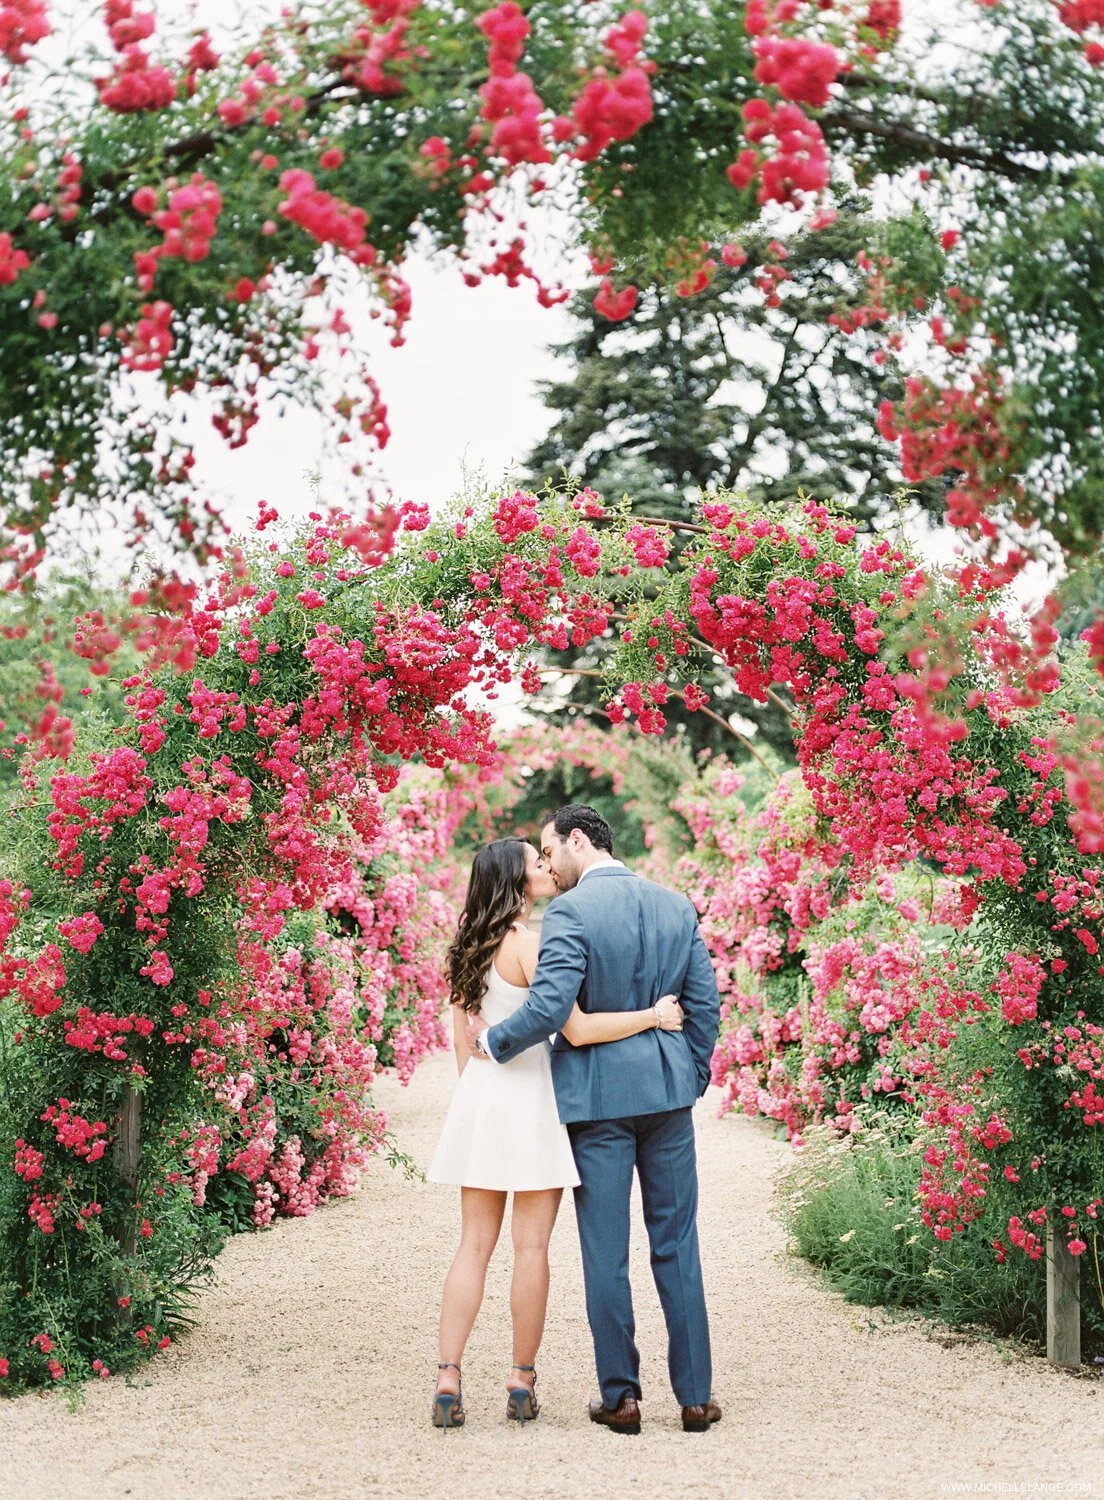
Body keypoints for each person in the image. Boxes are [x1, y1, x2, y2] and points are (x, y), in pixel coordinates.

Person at [467, 805, 722, 1436]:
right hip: (667, 1099)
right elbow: (705, 1007)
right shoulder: (675, 905)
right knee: (678, 1243)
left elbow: (551, 1007)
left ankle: (621, 1399)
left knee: (605, 1252)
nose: (548, 866)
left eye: (550, 851)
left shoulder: (570, 913)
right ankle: (695, 1398)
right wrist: (688, 1075)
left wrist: (493, 1041)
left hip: (598, 1105)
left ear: (578, 840)